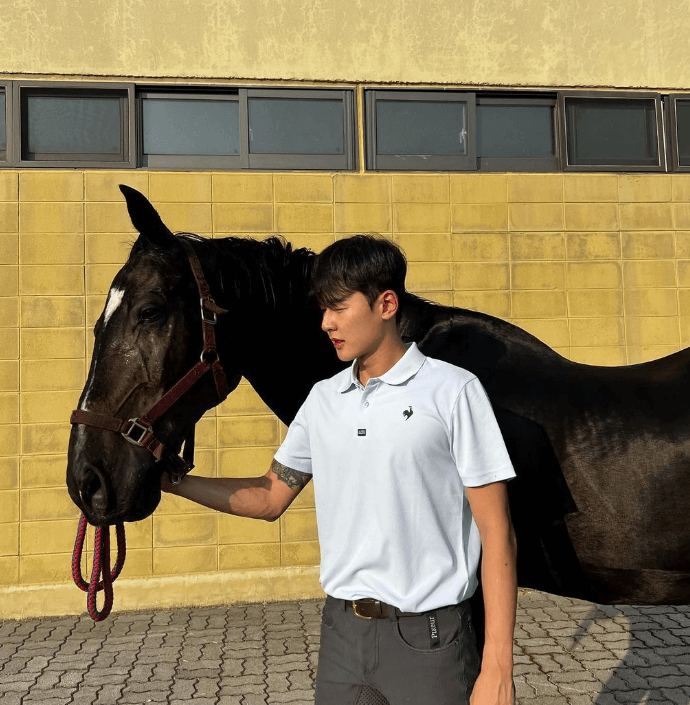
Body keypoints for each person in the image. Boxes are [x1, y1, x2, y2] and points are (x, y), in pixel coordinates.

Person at [161, 235, 517, 705]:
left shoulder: (452, 391)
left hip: (430, 641)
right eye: (323, 309)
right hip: (342, 639)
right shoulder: (323, 400)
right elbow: (269, 496)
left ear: (386, 304)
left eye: (339, 307)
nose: (326, 322)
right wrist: (174, 481)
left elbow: (497, 533)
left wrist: (498, 666)